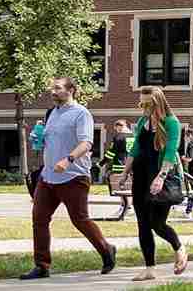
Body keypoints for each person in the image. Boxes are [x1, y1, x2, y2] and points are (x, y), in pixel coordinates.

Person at [23, 77, 116, 280]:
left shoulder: (81, 113)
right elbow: (50, 141)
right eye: (52, 88)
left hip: (73, 176)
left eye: (57, 88)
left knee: (79, 219)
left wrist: (68, 159)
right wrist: (38, 139)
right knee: (39, 219)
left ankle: (107, 249)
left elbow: (86, 143)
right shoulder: (51, 113)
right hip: (48, 176)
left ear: (71, 90)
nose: (53, 92)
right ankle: (41, 265)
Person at [117, 86, 186, 282]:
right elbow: (135, 149)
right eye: (142, 104)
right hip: (140, 176)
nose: (144, 108)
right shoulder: (142, 122)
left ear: (158, 103)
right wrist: (125, 172)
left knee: (157, 223)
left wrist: (161, 176)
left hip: (160, 175)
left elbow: (171, 151)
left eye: (148, 104)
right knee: (143, 224)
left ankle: (179, 248)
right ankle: (149, 268)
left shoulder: (171, 122)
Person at [105, 120, 135, 220]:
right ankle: (130, 207)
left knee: (120, 187)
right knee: (130, 186)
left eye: (116, 129)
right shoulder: (134, 137)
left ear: (119, 127)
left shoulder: (118, 137)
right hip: (132, 166)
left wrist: (102, 163)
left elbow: (111, 152)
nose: (117, 131)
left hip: (119, 166)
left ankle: (125, 206)